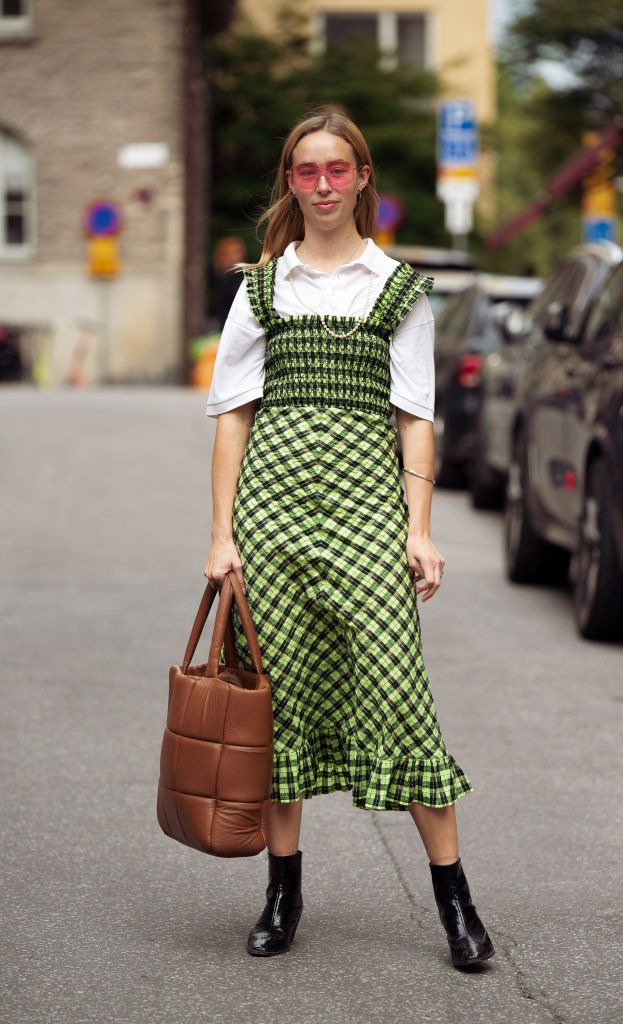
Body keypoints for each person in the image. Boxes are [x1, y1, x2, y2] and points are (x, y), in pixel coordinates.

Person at [204, 108, 495, 971]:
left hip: (367, 514)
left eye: (338, 169)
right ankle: (282, 891)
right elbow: (231, 417)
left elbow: (417, 417)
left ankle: (456, 903)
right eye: (306, 171)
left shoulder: (397, 286)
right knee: (279, 704)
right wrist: (222, 536)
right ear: (290, 182)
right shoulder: (262, 287)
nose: (323, 185)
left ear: (362, 178)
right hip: (273, 513)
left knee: (400, 695)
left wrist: (422, 528)